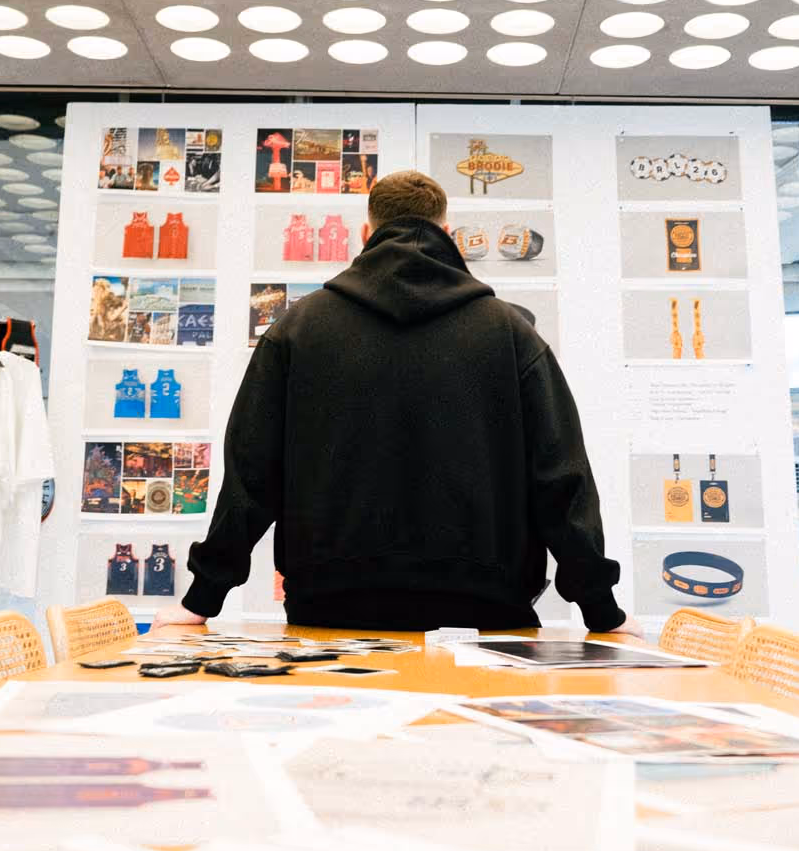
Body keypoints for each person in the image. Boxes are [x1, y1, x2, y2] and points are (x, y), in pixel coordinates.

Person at [152, 170, 630, 633]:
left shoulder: (299, 329)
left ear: (366, 233)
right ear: (448, 233)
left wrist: (203, 597)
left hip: (331, 607)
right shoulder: (509, 333)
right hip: (483, 609)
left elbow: (251, 472)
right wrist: (601, 610)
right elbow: (561, 476)